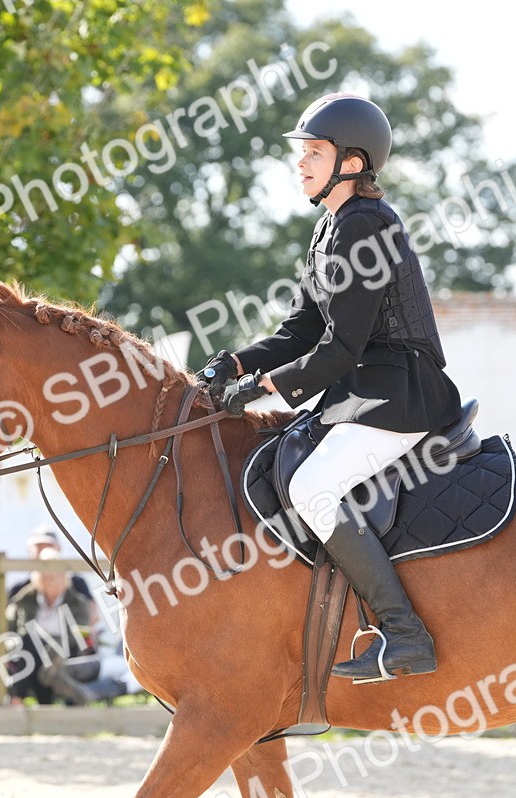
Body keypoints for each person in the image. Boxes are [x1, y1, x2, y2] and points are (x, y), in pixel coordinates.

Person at [196, 94, 463, 682]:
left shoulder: (365, 226)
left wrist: (264, 386)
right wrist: (233, 364)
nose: (301, 162)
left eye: (314, 152)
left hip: (400, 393)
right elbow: (300, 331)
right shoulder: (330, 227)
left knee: (312, 487)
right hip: (364, 391)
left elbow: (340, 347)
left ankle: (405, 634)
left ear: (352, 162)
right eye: (303, 153)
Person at [6, 549, 126, 705]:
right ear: (38, 578)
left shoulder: (77, 602)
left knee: (48, 658)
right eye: (46, 575)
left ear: (64, 577)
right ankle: (23, 700)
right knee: (31, 644)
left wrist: (51, 645)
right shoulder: (25, 599)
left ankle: (24, 701)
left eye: (55, 575)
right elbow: (19, 630)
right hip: (33, 652)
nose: (50, 579)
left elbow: (77, 634)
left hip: (65, 652)